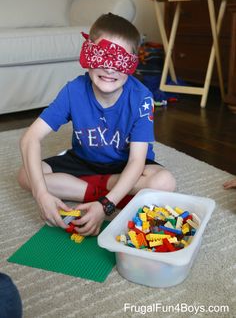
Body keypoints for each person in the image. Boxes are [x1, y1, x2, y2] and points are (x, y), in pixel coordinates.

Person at [18, 13, 176, 236]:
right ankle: (108, 190)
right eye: (102, 56)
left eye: (119, 60)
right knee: (26, 175)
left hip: (126, 165)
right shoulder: (74, 91)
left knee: (164, 182)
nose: (110, 69)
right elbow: (29, 139)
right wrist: (41, 195)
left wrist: (106, 206)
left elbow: (136, 161)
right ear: (88, 53)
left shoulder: (142, 97)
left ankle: (96, 191)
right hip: (84, 159)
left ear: (132, 64)